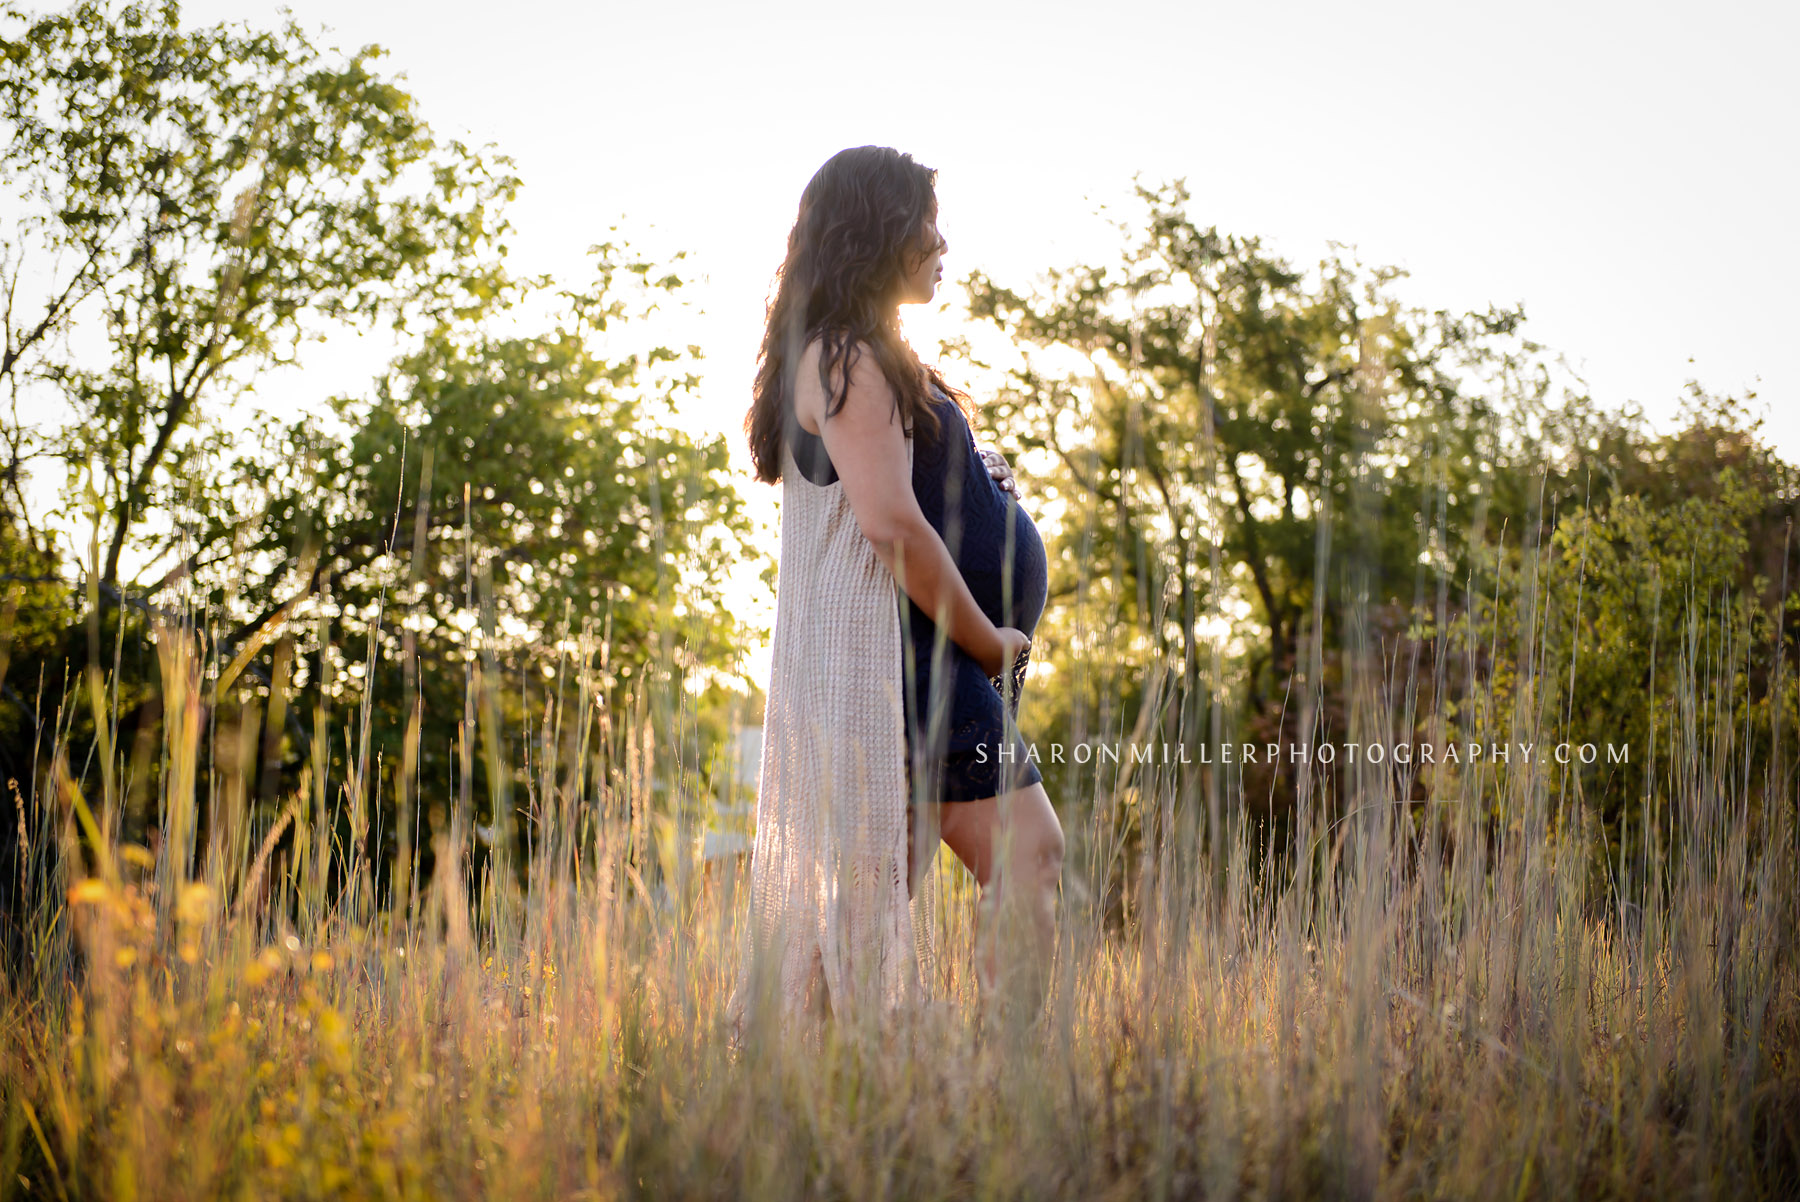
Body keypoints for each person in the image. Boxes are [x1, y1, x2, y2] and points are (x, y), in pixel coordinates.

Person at [727, 146, 1064, 1046]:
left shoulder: (853, 355)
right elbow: (890, 525)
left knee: (865, 907)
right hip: (917, 665)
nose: (941, 238)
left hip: (913, 667)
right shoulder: (846, 357)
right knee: (1029, 858)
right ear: (879, 227)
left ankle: (803, 1080)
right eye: (924, 218)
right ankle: (1008, 1072)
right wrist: (991, 646)